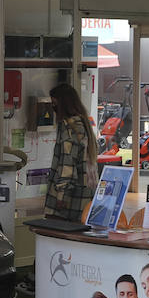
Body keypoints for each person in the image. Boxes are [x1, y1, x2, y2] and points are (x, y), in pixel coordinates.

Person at [45, 83, 99, 223]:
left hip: (69, 202)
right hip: (86, 197)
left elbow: (66, 163)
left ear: (63, 104)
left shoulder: (68, 127)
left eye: (54, 104)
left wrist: (60, 195)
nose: (53, 108)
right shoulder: (84, 124)